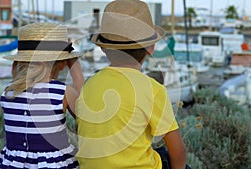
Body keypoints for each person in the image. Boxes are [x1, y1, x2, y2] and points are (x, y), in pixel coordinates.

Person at [75, 0, 187, 169]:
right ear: (151, 48)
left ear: (104, 48)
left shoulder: (90, 85)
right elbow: (178, 152)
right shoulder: (152, 90)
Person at [0, 22, 84, 169]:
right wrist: (76, 71)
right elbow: (86, 116)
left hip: (12, 165)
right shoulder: (62, 91)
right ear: (63, 63)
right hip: (54, 165)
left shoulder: (9, 91)